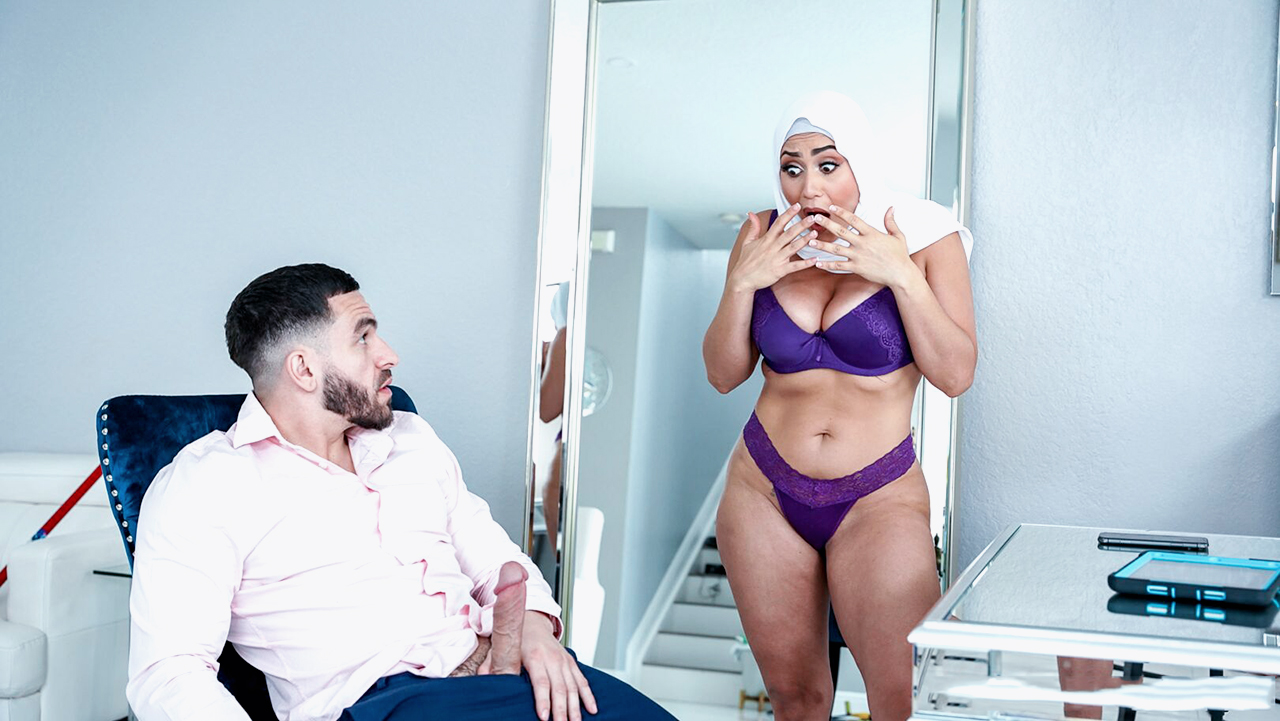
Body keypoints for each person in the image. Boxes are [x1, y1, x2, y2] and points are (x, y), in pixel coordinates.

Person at [127, 264, 674, 721]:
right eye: (363, 337)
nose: (388, 354)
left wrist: (535, 627)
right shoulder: (207, 484)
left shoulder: (410, 438)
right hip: (382, 703)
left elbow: (491, 555)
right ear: (304, 368)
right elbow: (169, 672)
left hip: (505, 673)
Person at [703, 91, 977, 721]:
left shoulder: (924, 236)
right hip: (763, 489)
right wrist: (744, 281)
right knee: (796, 700)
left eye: (828, 165)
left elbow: (956, 374)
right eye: (791, 168)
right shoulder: (760, 236)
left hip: (878, 497)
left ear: (861, 162)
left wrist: (899, 272)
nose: (808, 188)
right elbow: (722, 374)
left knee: (902, 699)